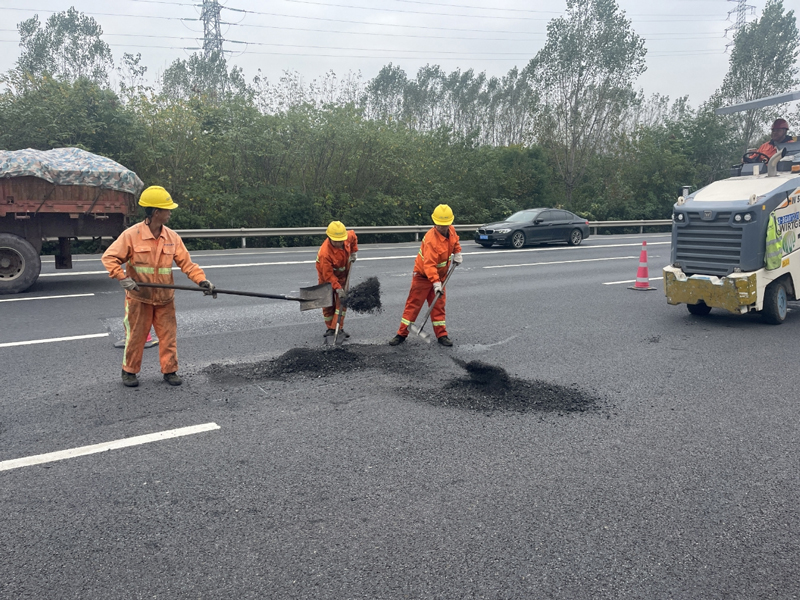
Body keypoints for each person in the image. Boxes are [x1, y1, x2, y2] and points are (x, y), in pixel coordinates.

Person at [101, 185, 215, 388]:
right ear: (156, 212)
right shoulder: (132, 235)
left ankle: (170, 371)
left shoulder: (172, 237)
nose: (170, 213)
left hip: (164, 298)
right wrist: (123, 277)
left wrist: (202, 281)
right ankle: (129, 372)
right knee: (136, 337)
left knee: (168, 337)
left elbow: (187, 264)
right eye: (167, 209)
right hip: (139, 298)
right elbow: (109, 257)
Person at [389, 204, 463, 347]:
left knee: (438, 306)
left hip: (441, 277)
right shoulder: (431, 239)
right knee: (413, 306)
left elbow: (455, 243)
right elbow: (429, 265)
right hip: (422, 277)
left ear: (450, 223)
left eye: (445, 225)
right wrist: (436, 284)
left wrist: (458, 252)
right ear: (435, 223)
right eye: (440, 225)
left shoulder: (451, 231)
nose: (442, 227)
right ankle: (401, 334)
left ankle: (442, 335)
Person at [316, 220, 358, 338]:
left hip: (343, 275)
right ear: (329, 238)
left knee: (342, 303)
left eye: (341, 241)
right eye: (336, 241)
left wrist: (354, 252)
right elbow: (328, 276)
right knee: (328, 303)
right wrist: (338, 289)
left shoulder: (346, 236)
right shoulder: (325, 254)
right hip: (326, 277)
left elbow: (353, 236)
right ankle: (330, 328)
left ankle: (338, 328)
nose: (339, 243)